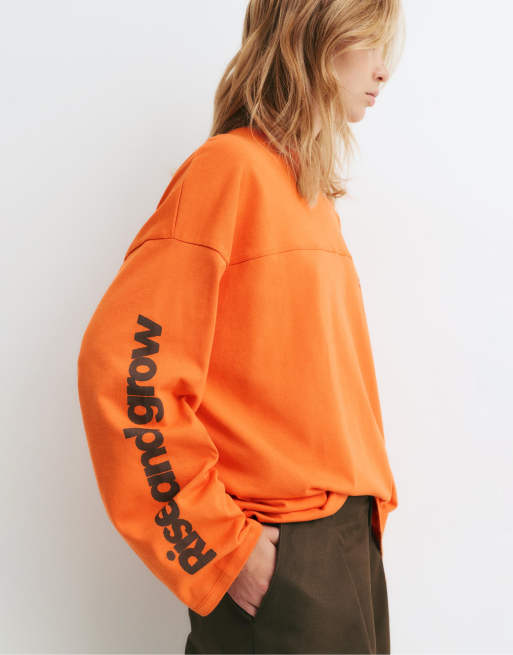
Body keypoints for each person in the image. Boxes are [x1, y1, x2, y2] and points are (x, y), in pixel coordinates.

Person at [77, 0, 406, 653]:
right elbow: (124, 373)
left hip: (343, 547)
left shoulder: (305, 193)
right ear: (315, 37)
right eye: (370, 43)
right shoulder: (229, 170)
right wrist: (220, 548)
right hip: (288, 558)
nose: (383, 70)